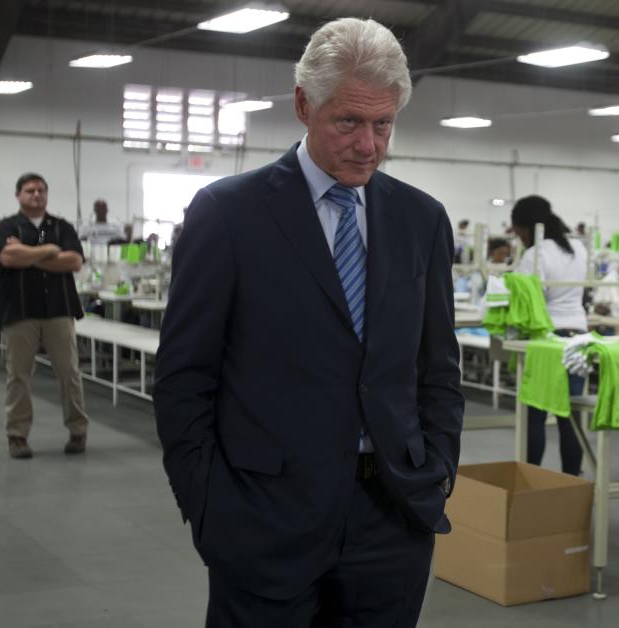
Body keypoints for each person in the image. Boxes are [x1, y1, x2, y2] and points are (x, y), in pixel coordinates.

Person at [153, 18, 464, 628]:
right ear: (303, 105)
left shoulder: (421, 221)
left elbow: (437, 369)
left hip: (391, 517)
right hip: (265, 518)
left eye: (384, 124)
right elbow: (184, 377)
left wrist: (437, 472)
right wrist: (210, 507)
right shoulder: (228, 214)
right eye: (348, 121)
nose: (368, 144)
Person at [0, 173, 88, 459]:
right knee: (18, 376)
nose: (36, 195)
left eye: (41, 190)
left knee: (69, 372)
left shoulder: (62, 227)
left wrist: (27, 254)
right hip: (19, 310)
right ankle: (17, 436)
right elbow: (7, 258)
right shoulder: (6, 226)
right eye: (29, 190)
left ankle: (77, 430)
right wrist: (48, 250)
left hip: (59, 310)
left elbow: (74, 261)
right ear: (18, 195)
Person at [512, 195, 587, 476]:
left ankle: (532, 482)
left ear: (526, 226)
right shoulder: (579, 248)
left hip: (547, 338)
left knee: (536, 414)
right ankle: (573, 482)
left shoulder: (536, 255)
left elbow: (528, 301)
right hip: (578, 337)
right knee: (571, 415)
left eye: (518, 230)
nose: (518, 237)